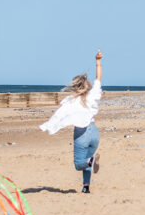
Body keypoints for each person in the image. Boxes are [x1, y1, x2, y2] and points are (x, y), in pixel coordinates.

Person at [39, 50, 104, 193]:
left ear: (75, 87)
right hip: (94, 132)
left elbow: (58, 115)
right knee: (87, 160)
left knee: (80, 163)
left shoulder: (71, 101)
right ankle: (86, 187)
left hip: (82, 133)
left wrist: (46, 126)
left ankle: (91, 161)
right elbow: (98, 78)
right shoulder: (93, 95)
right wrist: (98, 60)